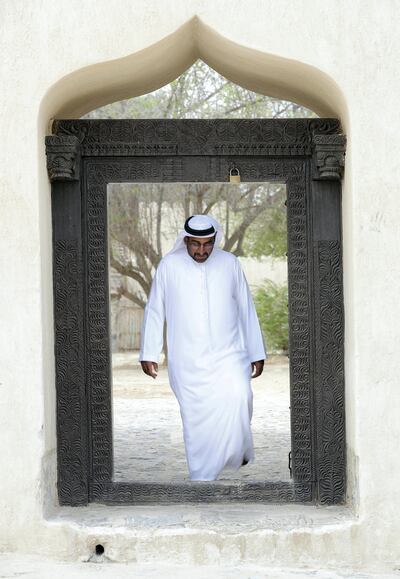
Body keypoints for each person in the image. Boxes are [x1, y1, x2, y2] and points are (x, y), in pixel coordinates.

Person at [139, 214, 266, 481]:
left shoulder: (229, 263)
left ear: (214, 240)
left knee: (241, 395)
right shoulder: (169, 266)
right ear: (185, 241)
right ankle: (202, 477)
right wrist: (149, 352)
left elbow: (246, 308)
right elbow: (154, 309)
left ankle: (236, 449)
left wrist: (256, 351)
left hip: (228, 352)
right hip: (187, 359)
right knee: (196, 421)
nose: (201, 250)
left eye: (207, 244)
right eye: (195, 244)